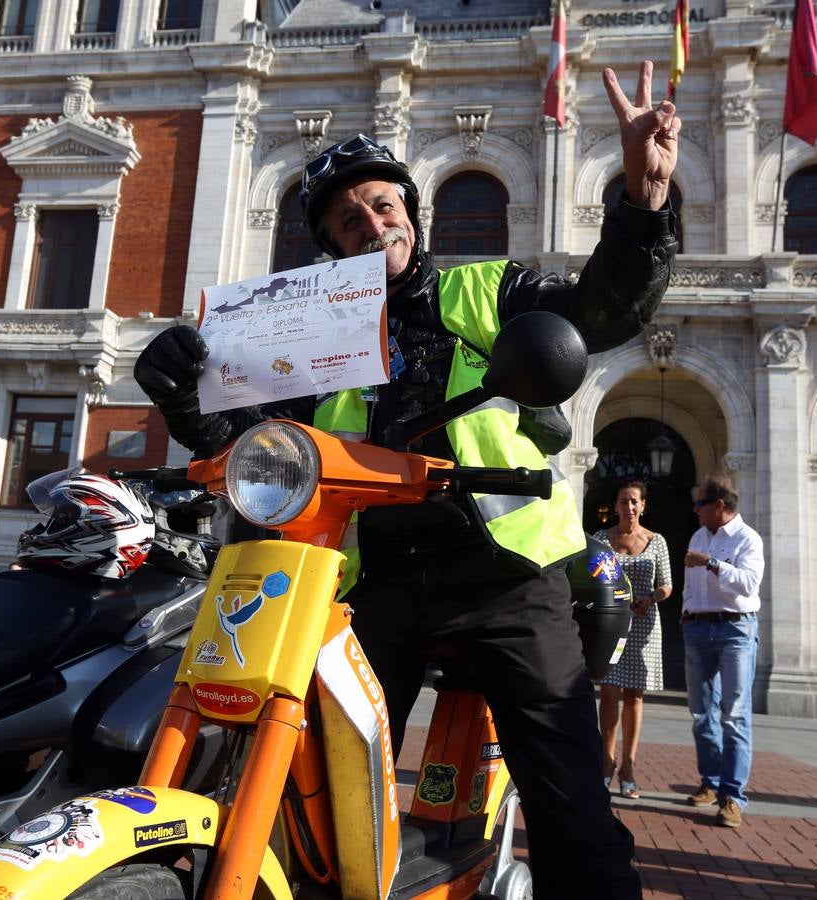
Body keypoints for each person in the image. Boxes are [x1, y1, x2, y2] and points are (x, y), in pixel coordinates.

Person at [135, 61, 681, 899]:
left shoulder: (488, 287)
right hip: (375, 581)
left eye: (382, 205)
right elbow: (253, 445)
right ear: (330, 247)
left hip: (507, 578)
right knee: (309, 782)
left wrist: (642, 204)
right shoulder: (305, 333)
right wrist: (180, 386)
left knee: (570, 806)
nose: (370, 222)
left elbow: (602, 311)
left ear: (411, 216)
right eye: (348, 220)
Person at [682, 475, 765, 828]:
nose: (695, 509)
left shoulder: (748, 539)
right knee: (702, 713)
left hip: (735, 628)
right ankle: (710, 783)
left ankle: (733, 796)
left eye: (700, 504)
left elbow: (749, 584)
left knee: (734, 714)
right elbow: (688, 583)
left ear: (719, 506)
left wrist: (712, 564)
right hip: (698, 627)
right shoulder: (700, 536)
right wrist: (686, 614)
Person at [594, 480, 672, 799]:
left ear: (643, 506)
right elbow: (592, 577)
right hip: (611, 623)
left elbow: (667, 585)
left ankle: (628, 766)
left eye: (634, 502)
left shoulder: (657, 542)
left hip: (643, 624)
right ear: (615, 506)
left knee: (634, 696)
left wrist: (650, 597)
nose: (629, 507)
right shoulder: (601, 539)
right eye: (624, 501)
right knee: (609, 692)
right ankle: (606, 762)